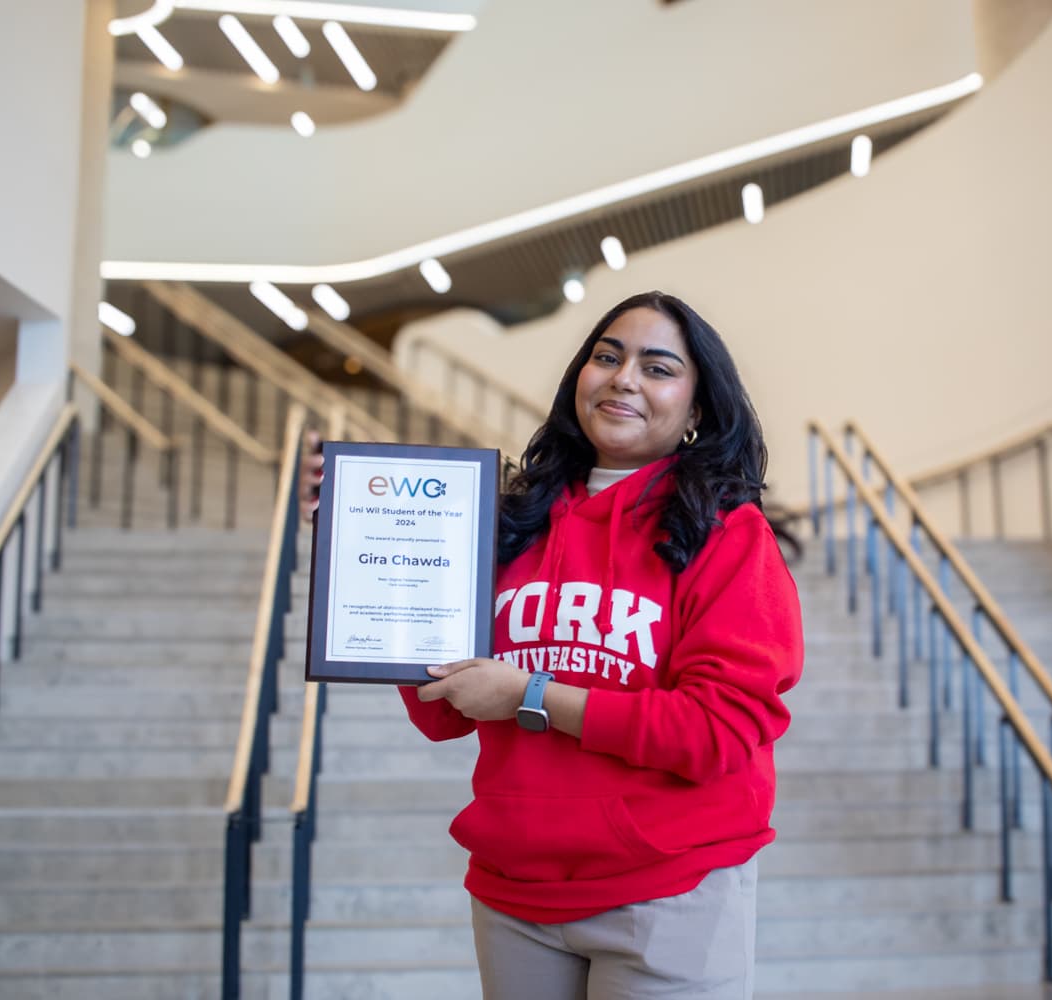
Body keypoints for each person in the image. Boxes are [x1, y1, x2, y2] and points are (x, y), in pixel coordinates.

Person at [311, 291, 803, 999]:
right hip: (516, 896)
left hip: (671, 888)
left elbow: (718, 730)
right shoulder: (509, 522)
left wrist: (531, 695)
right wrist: (360, 539)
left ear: (697, 411)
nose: (623, 377)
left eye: (658, 367)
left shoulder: (730, 535)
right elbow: (442, 712)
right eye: (607, 356)